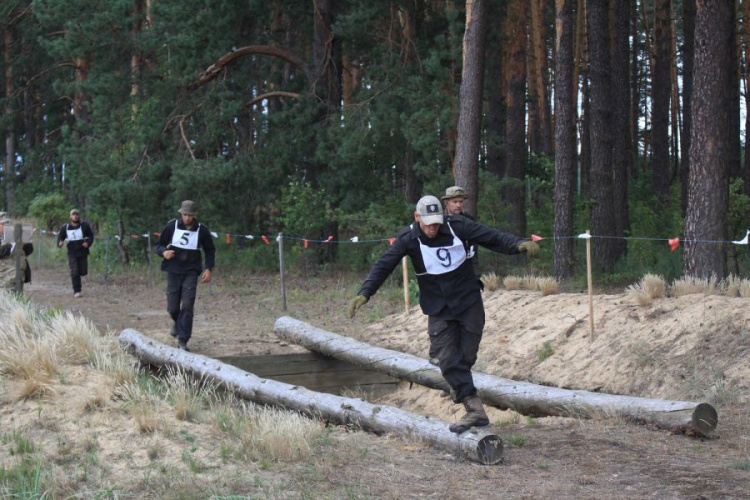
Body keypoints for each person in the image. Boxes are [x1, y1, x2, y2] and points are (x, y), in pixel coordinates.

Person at [348, 195, 539, 434]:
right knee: (448, 358)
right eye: (427, 223)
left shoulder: (457, 226)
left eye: (436, 223)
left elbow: (490, 236)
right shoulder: (407, 238)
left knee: (466, 357)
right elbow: (384, 265)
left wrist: (517, 244)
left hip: (468, 301)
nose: (432, 228)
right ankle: (474, 409)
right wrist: (365, 293)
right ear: (417, 218)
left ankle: (459, 384)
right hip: (438, 308)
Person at [155, 200, 215, 352]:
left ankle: (183, 340)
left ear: (194, 216)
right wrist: (164, 252)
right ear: (181, 214)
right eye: (185, 215)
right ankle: (176, 321)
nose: (187, 218)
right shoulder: (171, 226)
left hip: (191, 272)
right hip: (173, 271)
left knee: (187, 305)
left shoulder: (202, 230)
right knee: (173, 307)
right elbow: (158, 245)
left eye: (190, 215)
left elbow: (210, 250)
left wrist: (208, 268)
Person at [57, 208, 94, 298]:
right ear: (70, 216)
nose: (75, 216)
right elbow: (60, 237)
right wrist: (60, 243)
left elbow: (91, 236)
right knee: (74, 271)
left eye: (77, 214)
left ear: (79, 216)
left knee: (83, 271)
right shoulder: (65, 227)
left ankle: (80, 277)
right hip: (72, 252)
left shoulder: (84, 225)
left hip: (82, 252)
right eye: (73, 214)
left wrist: (88, 243)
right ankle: (77, 291)